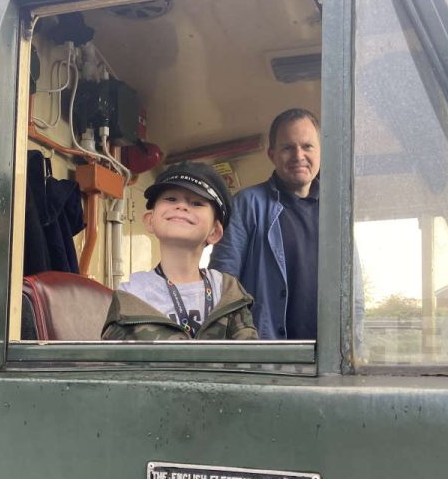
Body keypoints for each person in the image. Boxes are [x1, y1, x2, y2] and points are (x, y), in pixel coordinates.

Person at [210, 108, 364, 341]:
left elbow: (355, 294)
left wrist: (353, 343)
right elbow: (223, 286)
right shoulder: (246, 205)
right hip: (268, 358)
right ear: (272, 154)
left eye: (307, 146)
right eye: (288, 147)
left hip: (328, 357)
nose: (298, 155)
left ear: (321, 152)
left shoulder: (337, 212)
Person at [102, 162, 258, 341]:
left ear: (215, 232)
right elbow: (114, 365)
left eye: (196, 202)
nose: (182, 206)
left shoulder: (228, 293)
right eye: (171, 199)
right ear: (150, 220)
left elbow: (250, 360)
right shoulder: (131, 295)